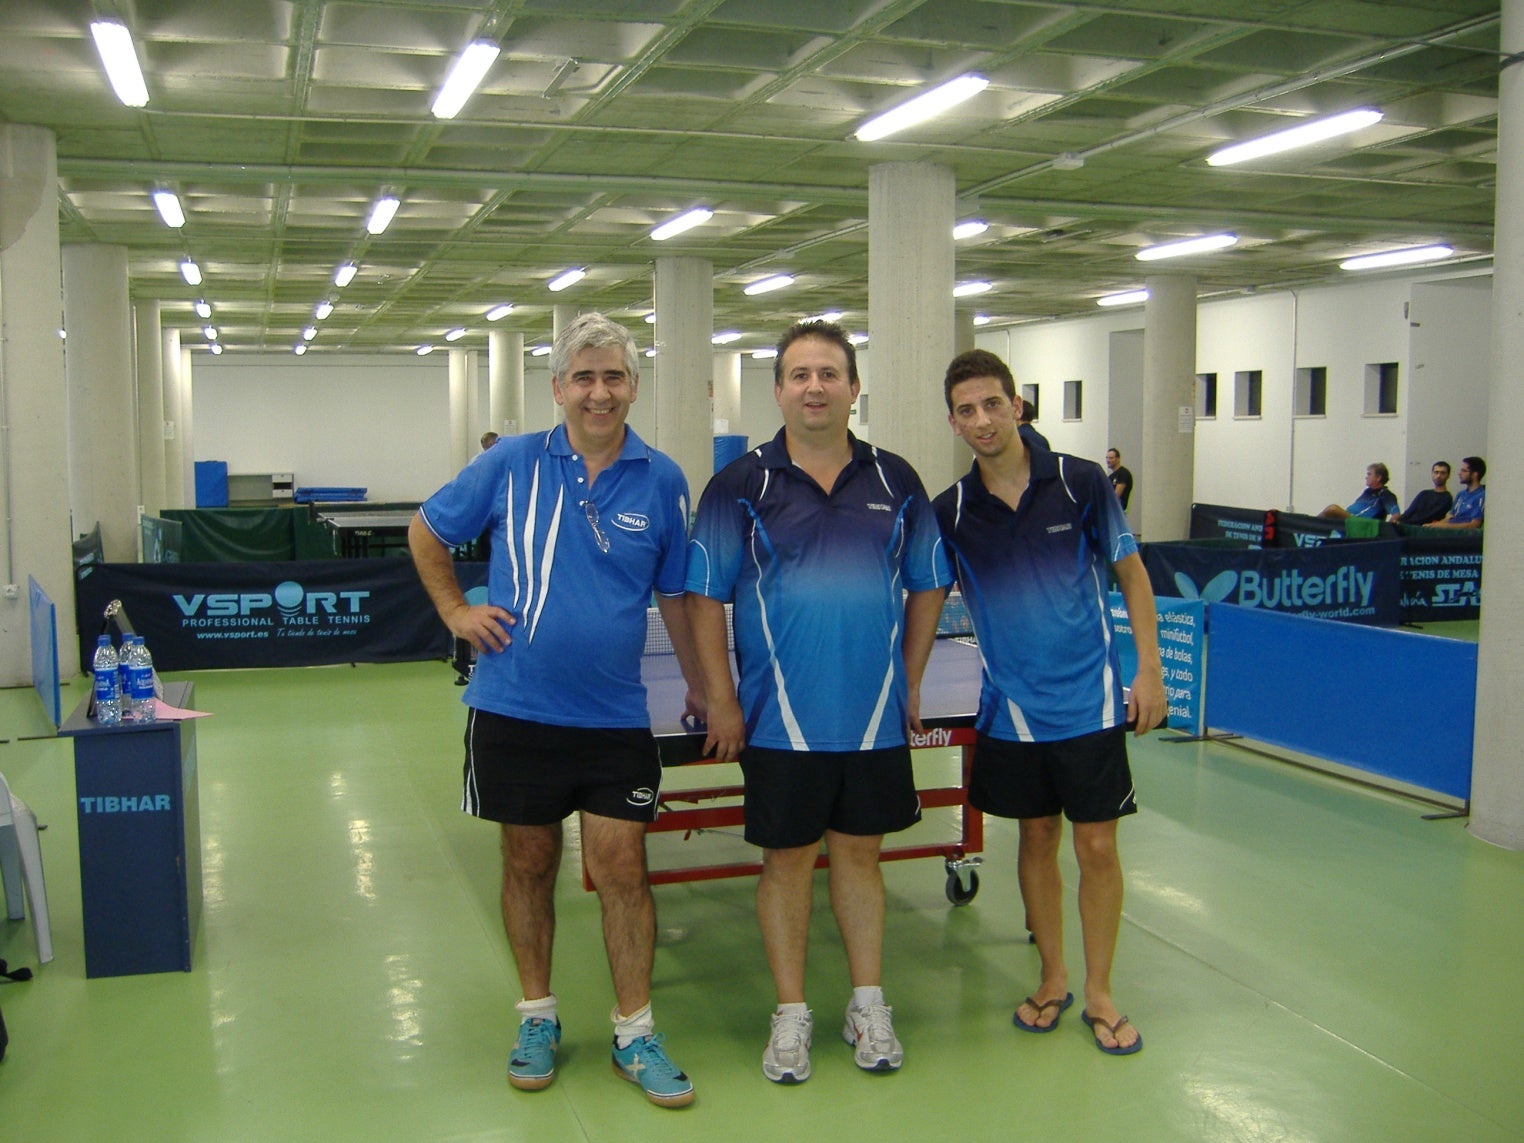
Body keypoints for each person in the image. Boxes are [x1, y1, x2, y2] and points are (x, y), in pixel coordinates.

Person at [408, 312, 702, 1108]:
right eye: (585, 377)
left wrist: (706, 684)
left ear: (632, 387)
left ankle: (634, 1033)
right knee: (528, 864)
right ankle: (536, 1016)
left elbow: (675, 594)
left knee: (622, 870)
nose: (599, 392)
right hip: (514, 710)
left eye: (613, 377)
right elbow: (426, 532)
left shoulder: (665, 479)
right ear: (558, 388)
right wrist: (455, 613)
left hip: (613, 718)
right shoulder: (509, 463)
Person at [685, 320, 952, 1085]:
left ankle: (868, 1002)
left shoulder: (897, 479)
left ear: (852, 387)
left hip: (871, 713)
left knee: (863, 857)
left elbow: (930, 580)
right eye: (799, 374)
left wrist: (911, 675)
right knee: (788, 860)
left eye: (828, 373)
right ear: (777, 390)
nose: (814, 386)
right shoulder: (742, 484)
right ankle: (792, 1011)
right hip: (778, 717)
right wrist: (723, 700)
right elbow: (705, 597)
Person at [931, 348, 1165, 1057]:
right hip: (1012, 709)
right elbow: (923, 600)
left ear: (1018, 406)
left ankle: (1100, 990)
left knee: (1096, 845)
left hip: (1090, 704)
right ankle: (1053, 975)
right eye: (966, 410)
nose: (982, 420)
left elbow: (1132, 573)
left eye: (992, 404)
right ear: (954, 421)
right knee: (1035, 839)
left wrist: (1149, 670)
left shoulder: (1082, 482)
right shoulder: (953, 511)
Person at [1319, 462, 1399, 521]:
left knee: (1333, 509)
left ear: (1378, 477)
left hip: (1361, 523)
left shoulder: (1386, 495)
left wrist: (1388, 531)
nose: (1366, 477)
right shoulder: (1367, 492)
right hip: (1350, 520)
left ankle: (1310, 525)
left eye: (1369, 474)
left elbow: (1396, 515)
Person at [1425, 456, 1486, 529]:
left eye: (1463, 471)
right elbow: (1450, 517)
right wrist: (1434, 525)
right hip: (1449, 530)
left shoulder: (1482, 496)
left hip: (1462, 536)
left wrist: (1443, 526)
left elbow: (1474, 525)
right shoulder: (1461, 494)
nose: (1459, 473)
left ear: (1475, 474)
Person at [1389, 461, 1452, 526]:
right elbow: (1409, 512)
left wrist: (1405, 523)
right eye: (1436, 472)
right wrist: (1398, 521)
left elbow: (1430, 516)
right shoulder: (1424, 494)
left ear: (1448, 475)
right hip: (1408, 526)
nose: (1438, 476)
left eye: (1442, 473)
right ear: (1432, 474)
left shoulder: (1447, 498)